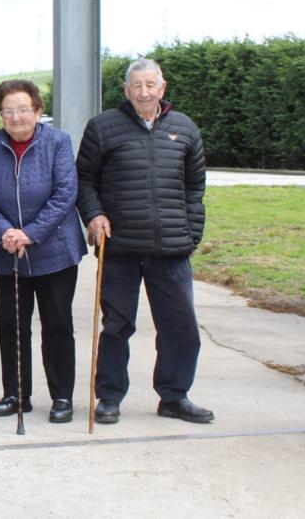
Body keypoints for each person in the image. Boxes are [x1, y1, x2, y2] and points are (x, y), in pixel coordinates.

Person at [76, 57, 212, 425]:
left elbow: (195, 187)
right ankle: (109, 397)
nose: (144, 92)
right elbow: (84, 180)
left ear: (162, 88)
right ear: (126, 90)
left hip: (171, 248)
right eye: (137, 85)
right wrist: (94, 215)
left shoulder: (185, 129)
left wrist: (191, 232)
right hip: (119, 246)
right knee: (116, 326)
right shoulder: (102, 127)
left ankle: (174, 396)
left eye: (151, 84)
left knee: (181, 327)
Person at [0, 79, 86, 424]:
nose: (16, 117)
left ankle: (62, 396)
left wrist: (30, 234)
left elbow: (65, 193)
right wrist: (5, 231)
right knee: (12, 327)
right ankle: (16, 393)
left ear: (37, 111)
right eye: (8, 111)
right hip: (8, 252)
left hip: (56, 251)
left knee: (57, 325)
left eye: (23, 109)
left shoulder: (58, 142)